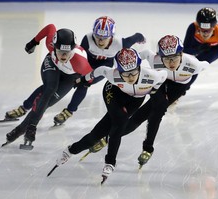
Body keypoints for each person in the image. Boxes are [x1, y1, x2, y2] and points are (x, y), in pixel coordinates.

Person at [83, 35, 210, 169]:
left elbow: (205, 64)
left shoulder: (193, 64)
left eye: (174, 58)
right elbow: (139, 55)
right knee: (137, 116)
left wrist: (186, 88)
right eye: (166, 59)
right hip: (160, 83)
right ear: (159, 56)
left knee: (155, 113)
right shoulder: (153, 59)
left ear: (181, 54)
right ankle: (111, 137)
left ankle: (147, 148)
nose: (171, 63)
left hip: (177, 88)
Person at [48, 48, 167, 183]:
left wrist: (154, 91)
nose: (130, 78)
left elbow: (162, 77)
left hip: (136, 99)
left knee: (95, 136)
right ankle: (110, 162)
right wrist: (83, 80)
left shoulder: (152, 76)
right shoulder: (113, 75)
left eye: (133, 73)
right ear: (118, 71)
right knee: (120, 122)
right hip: (113, 93)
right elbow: (99, 70)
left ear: (139, 67)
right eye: (125, 74)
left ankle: (70, 150)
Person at [3, 16, 146, 125]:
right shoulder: (88, 39)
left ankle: (69, 110)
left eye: (104, 38)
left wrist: (141, 38)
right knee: (49, 87)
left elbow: (137, 36)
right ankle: (25, 107)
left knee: (84, 84)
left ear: (112, 36)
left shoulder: (121, 43)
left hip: (101, 67)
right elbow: (80, 55)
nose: (100, 41)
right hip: (85, 63)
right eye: (98, 36)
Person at [1, 24, 93, 149]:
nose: (64, 56)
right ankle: (32, 127)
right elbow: (50, 27)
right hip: (52, 65)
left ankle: (19, 130)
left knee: (46, 102)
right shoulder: (50, 43)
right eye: (60, 52)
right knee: (50, 89)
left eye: (67, 52)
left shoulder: (80, 62)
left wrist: (82, 82)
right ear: (54, 46)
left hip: (70, 76)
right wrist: (33, 42)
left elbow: (90, 76)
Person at [183, 7, 218, 85]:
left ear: (213, 28)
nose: (205, 33)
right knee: (184, 61)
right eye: (202, 30)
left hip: (214, 49)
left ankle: (184, 88)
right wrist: (198, 50)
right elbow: (185, 50)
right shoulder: (193, 27)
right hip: (197, 45)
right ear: (198, 27)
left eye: (208, 30)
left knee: (196, 66)